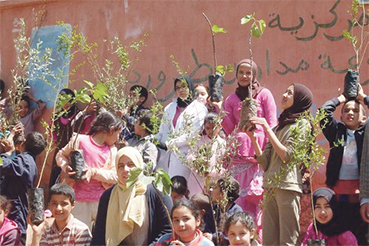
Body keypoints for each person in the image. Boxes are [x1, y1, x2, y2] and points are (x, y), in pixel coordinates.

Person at [245, 83, 313, 245]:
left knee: (287, 240)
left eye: (290, 93)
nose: (284, 95)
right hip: (270, 185)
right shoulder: (278, 128)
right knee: (269, 240)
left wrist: (267, 128)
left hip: (288, 187)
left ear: (299, 99)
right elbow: (265, 163)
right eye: (285, 91)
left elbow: (287, 156)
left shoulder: (302, 125)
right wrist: (252, 138)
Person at [220, 59, 278, 238]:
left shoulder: (264, 94)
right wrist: (219, 109)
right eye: (241, 73)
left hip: (260, 156)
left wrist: (269, 150)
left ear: (255, 75)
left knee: (258, 201)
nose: (245, 76)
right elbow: (229, 128)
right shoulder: (231, 99)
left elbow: (272, 122)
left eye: (248, 73)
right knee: (239, 199)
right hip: (238, 157)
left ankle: (258, 239)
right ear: (236, 75)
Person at [319, 79, 369, 245]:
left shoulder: (366, 134)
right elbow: (323, 113)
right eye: (346, 110)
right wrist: (341, 98)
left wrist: (363, 98)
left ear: (363, 118)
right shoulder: (336, 132)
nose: (350, 113)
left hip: (360, 198)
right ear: (341, 116)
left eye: (355, 110)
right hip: (338, 196)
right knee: (340, 237)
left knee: (360, 237)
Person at [91, 146, 173, 246]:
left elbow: (168, 229)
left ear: (139, 166)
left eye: (130, 165)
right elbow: (99, 235)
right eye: (120, 166)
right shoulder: (108, 196)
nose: (125, 169)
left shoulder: (155, 191)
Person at [56, 111, 123, 230]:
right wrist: (66, 167)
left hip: (100, 202)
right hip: (78, 201)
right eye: (118, 133)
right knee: (78, 237)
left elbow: (115, 176)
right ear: (111, 130)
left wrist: (94, 172)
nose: (118, 138)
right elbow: (60, 155)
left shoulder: (112, 151)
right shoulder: (79, 141)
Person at [156, 75, 208, 193]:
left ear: (190, 87)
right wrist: (155, 140)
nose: (181, 90)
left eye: (184, 86)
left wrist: (170, 143)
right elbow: (162, 130)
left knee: (181, 189)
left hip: (185, 154)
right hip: (166, 155)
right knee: (165, 189)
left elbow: (193, 134)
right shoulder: (170, 107)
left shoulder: (199, 109)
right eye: (178, 88)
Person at [0, 131, 46, 244]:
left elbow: (1, 164)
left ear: (23, 143)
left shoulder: (25, 161)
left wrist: (7, 153)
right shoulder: (29, 161)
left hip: (16, 211)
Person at [49, 88, 96, 188]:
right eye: (62, 101)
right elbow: (51, 130)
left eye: (68, 101)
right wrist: (56, 141)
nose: (65, 104)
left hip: (74, 153)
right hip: (60, 152)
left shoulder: (80, 116)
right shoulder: (56, 117)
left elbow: (83, 131)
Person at [187, 112, 226, 195]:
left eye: (213, 128)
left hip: (214, 179)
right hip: (198, 179)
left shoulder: (222, 143)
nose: (210, 131)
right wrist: (198, 165)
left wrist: (213, 172)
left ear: (219, 127)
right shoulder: (198, 141)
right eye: (208, 128)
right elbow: (190, 157)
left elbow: (223, 162)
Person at [203, 177, 243, 244]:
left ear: (223, 194)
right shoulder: (214, 210)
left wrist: (214, 237)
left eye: (215, 188)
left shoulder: (236, 212)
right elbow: (207, 229)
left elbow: (233, 233)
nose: (211, 190)